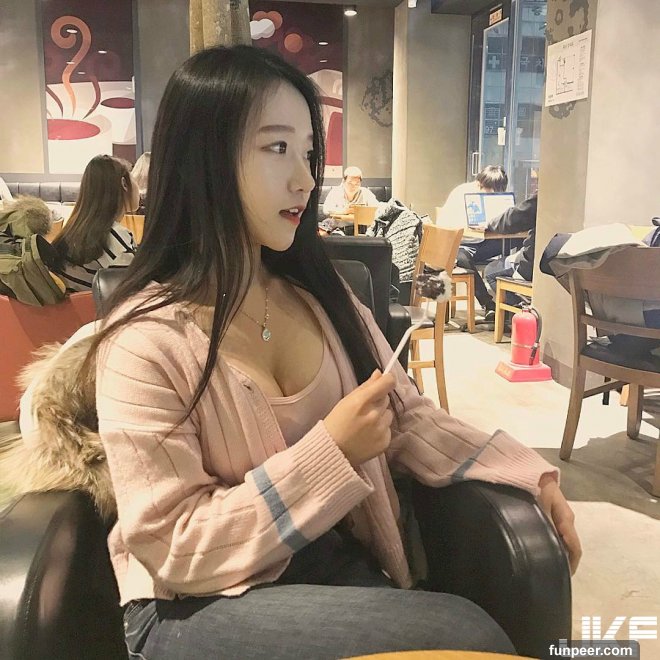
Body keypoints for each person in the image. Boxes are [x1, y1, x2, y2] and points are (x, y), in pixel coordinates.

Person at [80, 46, 579, 658]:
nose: (306, 179)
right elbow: (174, 546)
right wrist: (333, 451)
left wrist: (526, 472)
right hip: (190, 603)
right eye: (277, 148)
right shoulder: (144, 341)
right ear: (203, 158)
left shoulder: (320, 297)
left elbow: (407, 419)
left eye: (309, 153)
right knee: (464, 634)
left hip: (329, 569)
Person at [51, 154, 139, 292]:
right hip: (96, 305)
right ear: (124, 183)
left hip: (74, 304)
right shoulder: (111, 237)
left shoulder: (73, 231)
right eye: (134, 178)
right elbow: (134, 290)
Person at [484, 192, 538, 308]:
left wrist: (490, 223)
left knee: (490, 270)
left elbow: (511, 220)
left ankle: (520, 311)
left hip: (534, 265)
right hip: (560, 265)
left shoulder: (543, 197)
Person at [436, 165, 508, 230]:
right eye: (490, 193)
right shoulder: (463, 192)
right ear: (479, 185)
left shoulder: (488, 194)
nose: (492, 196)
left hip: (481, 237)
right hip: (459, 237)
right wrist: (473, 226)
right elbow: (446, 223)